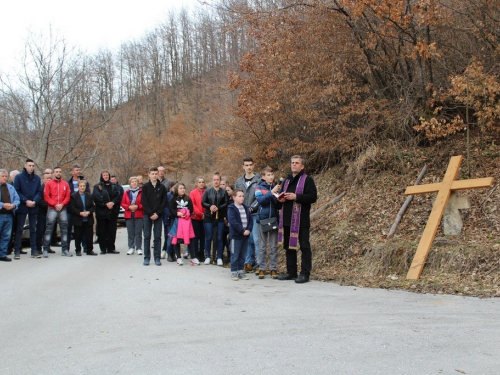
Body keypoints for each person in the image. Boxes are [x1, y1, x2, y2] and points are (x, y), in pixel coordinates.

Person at [277, 155, 318, 284]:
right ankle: (291, 272)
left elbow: (312, 197)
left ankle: (305, 274)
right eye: (292, 163)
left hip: (302, 220)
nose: (294, 165)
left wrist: (297, 197)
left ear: (302, 166)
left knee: (304, 246)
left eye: (297, 163)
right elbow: (280, 200)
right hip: (288, 218)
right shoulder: (287, 181)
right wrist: (280, 199)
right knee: (289, 247)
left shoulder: (307, 180)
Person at [235, 157, 261, 273]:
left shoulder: (259, 179)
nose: (249, 167)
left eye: (250, 164)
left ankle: (260, 264)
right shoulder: (239, 181)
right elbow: (236, 197)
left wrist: (252, 207)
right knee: (246, 238)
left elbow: (261, 196)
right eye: (246, 165)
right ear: (243, 167)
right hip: (243, 214)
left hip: (255, 213)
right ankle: (248, 262)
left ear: (254, 165)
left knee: (255, 239)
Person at [255, 167, 281, 279]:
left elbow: (278, 206)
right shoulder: (259, 187)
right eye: (268, 175)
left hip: (274, 219)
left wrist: (280, 199)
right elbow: (261, 201)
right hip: (262, 219)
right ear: (263, 177)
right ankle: (262, 268)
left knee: (273, 246)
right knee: (262, 246)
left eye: (272, 174)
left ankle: (273, 269)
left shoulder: (278, 188)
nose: (271, 176)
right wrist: (272, 192)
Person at [14, 159, 43, 259]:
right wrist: (25, 200)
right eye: (29, 165)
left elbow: (39, 192)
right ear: (25, 166)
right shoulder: (18, 177)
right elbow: (16, 191)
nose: (31, 167)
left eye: (33, 165)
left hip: (34, 206)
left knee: (33, 229)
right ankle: (17, 250)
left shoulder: (37, 178)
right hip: (22, 206)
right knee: (19, 229)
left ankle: (34, 250)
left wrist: (34, 201)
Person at [42, 167, 72, 257]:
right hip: (52, 208)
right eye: (56, 172)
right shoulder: (49, 184)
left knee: (64, 230)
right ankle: (45, 249)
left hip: (63, 208)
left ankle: (65, 249)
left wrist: (62, 204)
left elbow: (68, 196)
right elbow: (46, 196)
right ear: (53, 173)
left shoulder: (65, 184)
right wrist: (55, 204)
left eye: (60, 172)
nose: (58, 173)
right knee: (49, 229)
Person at [141, 167, 168, 266]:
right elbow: (144, 201)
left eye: (156, 173)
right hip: (147, 215)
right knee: (147, 236)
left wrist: (158, 213)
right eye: (152, 173)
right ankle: (147, 258)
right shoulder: (145, 187)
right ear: (148, 175)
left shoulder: (162, 188)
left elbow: (164, 202)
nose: (154, 175)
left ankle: (157, 257)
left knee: (157, 237)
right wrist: (150, 213)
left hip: (158, 215)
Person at [168, 182, 199, 265]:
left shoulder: (188, 198)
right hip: (177, 221)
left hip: (187, 221)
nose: (182, 190)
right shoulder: (173, 199)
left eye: (183, 188)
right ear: (177, 189)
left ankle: (193, 257)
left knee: (190, 238)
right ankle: (178, 257)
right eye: (180, 188)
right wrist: (177, 213)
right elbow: (171, 209)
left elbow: (191, 208)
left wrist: (186, 213)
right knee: (177, 239)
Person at [202, 172, 228, 265]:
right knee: (208, 237)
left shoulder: (224, 192)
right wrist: (210, 206)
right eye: (214, 180)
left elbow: (226, 203)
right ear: (212, 181)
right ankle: (208, 256)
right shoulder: (207, 191)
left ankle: (219, 257)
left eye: (218, 180)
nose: (216, 181)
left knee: (220, 238)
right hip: (209, 216)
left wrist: (218, 207)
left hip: (220, 217)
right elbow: (203, 202)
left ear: (220, 181)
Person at [92, 170, 121, 254]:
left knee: (112, 231)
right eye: (104, 175)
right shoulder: (97, 186)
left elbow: (118, 196)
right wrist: (105, 204)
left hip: (112, 212)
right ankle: (103, 249)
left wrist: (113, 202)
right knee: (102, 231)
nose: (106, 176)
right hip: (102, 212)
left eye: (107, 175)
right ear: (101, 176)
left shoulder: (114, 186)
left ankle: (111, 248)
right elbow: (96, 197)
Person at [227, 189, 253, 280]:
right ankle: (234, 271)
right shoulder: (231, 208)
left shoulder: (246, 208)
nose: (242, 198)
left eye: (243, 196)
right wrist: (242, 230)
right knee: (235, 254)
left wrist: (249, 229)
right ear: (234, 197)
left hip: (245, 236)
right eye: (240, 196)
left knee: (243, 254)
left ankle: (240, 271)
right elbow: (233, 222)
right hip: (236, 236)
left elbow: (250, 220)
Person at [69, 180, 97, 256]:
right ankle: (78, 250)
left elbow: (93, 206)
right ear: (78, 187)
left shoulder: (89, 195)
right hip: (78, 219)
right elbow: (72, 207)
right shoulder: (73, 196)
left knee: (89, 235)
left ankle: (89, 250)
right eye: (81, 186)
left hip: (88, 219)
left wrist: (88, 212)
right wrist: (79, 213)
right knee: (78, 236)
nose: (82, 187)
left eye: (84, 186)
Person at [67, 164, 90, 252]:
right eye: (76, 170)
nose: (78, 171)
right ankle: (67, 248)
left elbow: (88, 195)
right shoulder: (68, 183)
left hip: (83, 210)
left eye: (79, 170)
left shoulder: (85, 182)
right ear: (72, 172)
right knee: (69, 228)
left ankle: (85, 247)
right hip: (71, 209)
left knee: (83, 229)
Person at [0, 169, 20, 262]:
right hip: (0, 213)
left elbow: (17, 199)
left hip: (9, 215)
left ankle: (2, 254)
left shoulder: (11, 188)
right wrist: (2, 205)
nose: (4, 178)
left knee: (6, 236)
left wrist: (13, 205)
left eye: (5, 176)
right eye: (2, 176)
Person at [121, 177, 143, 256]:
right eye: (132, 182)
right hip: (129, 214)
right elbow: (122, 203)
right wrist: (128, 207)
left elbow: (144, 202)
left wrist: (138, 206)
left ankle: (139, 248)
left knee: (138, 232)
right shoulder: (126, 192)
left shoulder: (141, 192)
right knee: (130, 232)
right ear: (130, 183)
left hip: (139, 213)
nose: (134, 183)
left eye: (135, 181)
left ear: (138, 183)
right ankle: (131, 247)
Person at [36, 171, 55, 255]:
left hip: (51, 213)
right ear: (43, 179)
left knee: (49, 231)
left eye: (50, 178)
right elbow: (40, 201)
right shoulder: (40, 188)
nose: (49, 180)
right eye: (47, 178)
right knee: (40, 230)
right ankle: (38, 248)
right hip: (42, 213)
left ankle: (47, 247)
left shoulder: (53, 188)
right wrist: (50, 205)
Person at [189, 176, 205, 262]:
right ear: (196, 183)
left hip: (205, 218)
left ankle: (202, 253)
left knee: (203, 237)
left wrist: (205, 214)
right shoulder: (192, 192)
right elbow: (193, 205)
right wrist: (200, 214)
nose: (201, 184)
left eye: (202, 182)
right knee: (196, 236)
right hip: (195, 217)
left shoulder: (207, 192)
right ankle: (195, 253)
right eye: (199, 182)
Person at [162, 180, 176, 262]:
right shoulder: (167, 196)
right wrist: (170, 214)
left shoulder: (179, 197)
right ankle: (169, 253)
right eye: (174, 187)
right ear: (170, 188)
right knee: (169, 237)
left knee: (175, 237)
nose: (175, 189)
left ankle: (174, 253)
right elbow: (165, 207)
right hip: (168, 219)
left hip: (176, 219)